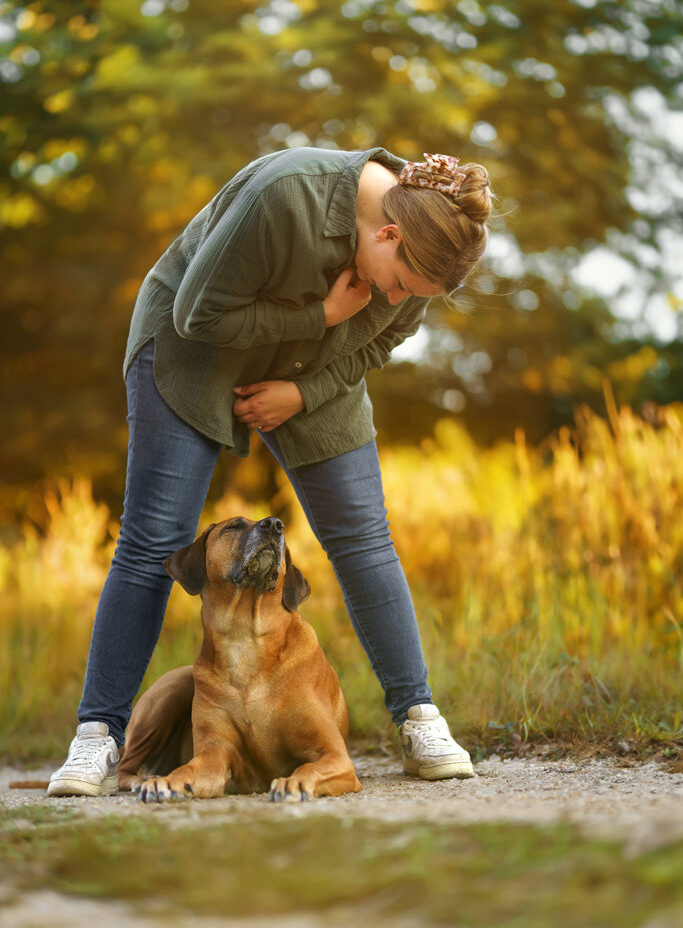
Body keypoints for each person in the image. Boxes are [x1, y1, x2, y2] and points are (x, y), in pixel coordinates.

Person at [47, 147, 492, 797]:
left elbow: (383, 339)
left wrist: (302, 393)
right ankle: (96, 736)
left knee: (364, 537)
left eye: (411, 296)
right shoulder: (287, 195)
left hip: (314, 368)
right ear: (387, 233)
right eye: (398, 283)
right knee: (152, 541)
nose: (396, 298)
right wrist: (321, 315)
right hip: (193, 348)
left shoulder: (419, 262)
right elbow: (197, 312)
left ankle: (418, 716)